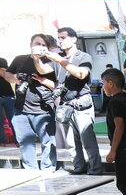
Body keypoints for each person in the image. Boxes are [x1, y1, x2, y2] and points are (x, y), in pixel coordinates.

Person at [33, 27, 102, 175]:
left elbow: (81, 73)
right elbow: (43, 70)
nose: (60, 41)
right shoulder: (58, 56)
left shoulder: (83, 56)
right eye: (58, 38)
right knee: (71, 142)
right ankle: (79, 167)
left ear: (74, 39)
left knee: (87, 139)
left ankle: (95, 169)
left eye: (63, 38)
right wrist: (36, 58)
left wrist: (60, 60)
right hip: (65, 104)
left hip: (81, 102)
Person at [3, 35, 56, 169]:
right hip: (20, 109)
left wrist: (37, 61)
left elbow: (52, 79)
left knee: (48, 141)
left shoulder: (52, 60)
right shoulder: (20, 59)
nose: (40, 47)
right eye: (37, 44)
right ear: (30, 45)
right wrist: (15, 78)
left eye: (44, 45)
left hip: (43, 108)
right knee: (25, 142)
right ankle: (30, 170)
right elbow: (6, 75)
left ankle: (48, 169)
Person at [0, 57, 16, 146]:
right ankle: (1, 142)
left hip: (9, 96)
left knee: (13, 120)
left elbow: (5, 73)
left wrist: (3, 70)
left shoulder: (2, 60)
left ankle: (17, 141)